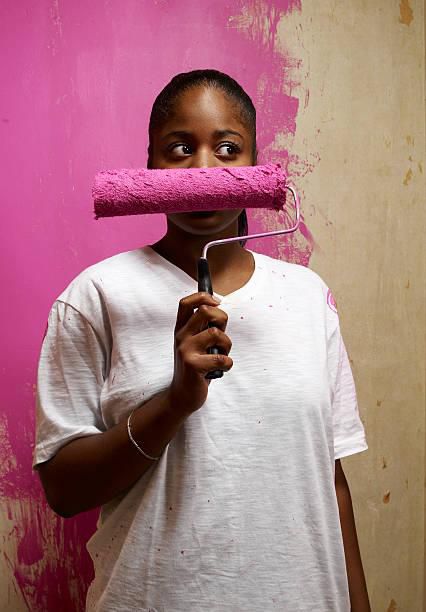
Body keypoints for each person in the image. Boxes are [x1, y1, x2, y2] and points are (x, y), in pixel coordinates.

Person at [34, 69, 370, 611]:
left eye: (228, 148)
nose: (205, 169)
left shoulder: (309, 297)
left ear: (256, 167)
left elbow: (330, 482)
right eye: (181, 148)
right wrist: (174, 402)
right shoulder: (96, 296)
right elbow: (64, 492)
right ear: (150, 167)